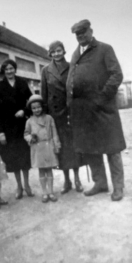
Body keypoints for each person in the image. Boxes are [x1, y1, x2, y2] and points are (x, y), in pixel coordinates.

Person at [67, 20, 126, 201]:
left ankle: (118, 187)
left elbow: (117, 75)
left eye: (84, 33)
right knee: (91, 149)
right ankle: (100, 183)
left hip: (103, 110)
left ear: (91, 31)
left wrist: (101, 99)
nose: (81, 37)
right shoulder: (75, 54)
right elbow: (71, 80)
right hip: (83, 112)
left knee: (112, 148)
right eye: (78, 34)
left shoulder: (105, 49)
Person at [41, 41, 84, 194]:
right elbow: (44, 96)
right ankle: (67, 181)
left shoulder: (72, 66)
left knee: (74, 148)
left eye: (59, 50)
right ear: (50, 54)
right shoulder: (46, 71)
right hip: (56, 116)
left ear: (64, 51)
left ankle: (77, 179)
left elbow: (77, 89)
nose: (57, 54)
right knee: (62, 149)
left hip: (70, 113)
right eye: (53, 51)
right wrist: (45, 118)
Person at [0, 59, 33, 199]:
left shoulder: (22, 83)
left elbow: (32, 100)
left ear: (15, 69)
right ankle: (19, 187)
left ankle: (27, 185)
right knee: (14, 158)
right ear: (3, 71)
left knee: (25, 157)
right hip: (8, 128)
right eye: (6, 69)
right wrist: (0, 132)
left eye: (11, 68)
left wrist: (24, 110)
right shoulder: (0, 86)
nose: (9, 71)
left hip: (22, 127)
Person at [24, 94, 61, 203]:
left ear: (43, 106)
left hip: (48, 146)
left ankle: (51, 192)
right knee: (41, 171)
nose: (37, 110)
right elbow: (26, 133)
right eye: (34, 108)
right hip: (37, 148)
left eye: (39, 107)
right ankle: (44, 193)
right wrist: (30, 137)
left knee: (49, 170)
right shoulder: (29, 121)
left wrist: (56, 145)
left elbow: (54, 133)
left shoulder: (49, 118)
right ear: (31, 109)